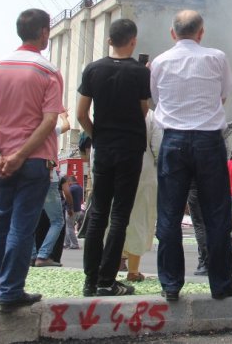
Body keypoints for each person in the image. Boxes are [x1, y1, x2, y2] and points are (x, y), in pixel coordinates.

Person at [150, 9, 232, 302]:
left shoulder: (160, 62)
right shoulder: (217, 57)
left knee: (169, 215)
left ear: (172, 33)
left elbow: (156, 98)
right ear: (201, 32)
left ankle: (171, 285)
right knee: (216, 215)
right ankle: (220, 284)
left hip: (173, 140)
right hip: (208, 141)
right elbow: (223, 94)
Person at [0, 8, 64, 310]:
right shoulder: (47, 71)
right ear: (43, 32)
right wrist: (20, 155)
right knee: (21, 226)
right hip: (33, 160)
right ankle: (11, 290)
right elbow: (50, 120)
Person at [77, 18, 151, 297]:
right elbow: (143, 110)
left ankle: (90, 280)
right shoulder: (141, 73)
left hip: (104, 148)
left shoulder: (92, 70)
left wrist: (97, 135)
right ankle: (108, 280)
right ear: (133, 40)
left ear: (109, 40)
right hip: (130, 148)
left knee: (98, 213)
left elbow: (81, 113)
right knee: (120, 215)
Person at [121, 111, 159, 283]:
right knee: (139, 218)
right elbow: (158, 146)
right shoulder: (150, 115)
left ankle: (111, 264)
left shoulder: (107, 104)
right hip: (143, 170)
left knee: (113, 218)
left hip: (110, 167)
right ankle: (133, 270)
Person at [32, 110, 70, 267]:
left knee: (31, 219)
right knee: (57, 220)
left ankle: (32, 254)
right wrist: (63, 116)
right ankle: (43, 255)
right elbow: (66, 126)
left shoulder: (29, 132)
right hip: (49, 179)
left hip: (32, 177)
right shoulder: (51, 131)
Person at [187, 181, 209, 276]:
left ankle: (205, 262)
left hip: (194, 186)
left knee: (200, 225)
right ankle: (206, 261)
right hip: (211, 184)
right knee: (210, 224)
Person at [64, 176, 83, 250]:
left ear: (70, 181)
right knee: (69, 226)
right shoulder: (80, 188)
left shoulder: (71, 188)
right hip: (78, 209)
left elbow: (68, 199)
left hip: (71, 210)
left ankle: (74, 244)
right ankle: (67, 243)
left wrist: (69, 209)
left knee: (69, 227)